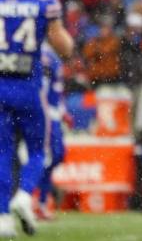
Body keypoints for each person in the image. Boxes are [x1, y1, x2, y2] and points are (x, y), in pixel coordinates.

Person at [0, 0, 74, 237]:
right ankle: (25, 194)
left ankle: (3, 216)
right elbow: (64, 48)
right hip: (29, 89)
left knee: (3, 152)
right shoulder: (44, 3)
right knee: (39, 151)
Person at [36, 44, 66, 221]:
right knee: (43, 156)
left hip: (53, 112)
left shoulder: (52, 53)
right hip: (42, 112)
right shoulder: (42, 53)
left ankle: (38, 199)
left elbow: (56, 87)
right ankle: (32, 198)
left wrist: (61, 110)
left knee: (56, 155)